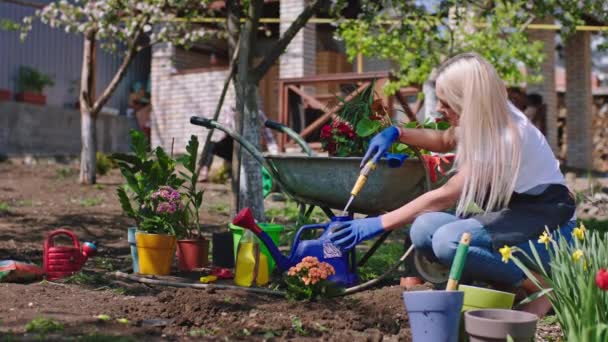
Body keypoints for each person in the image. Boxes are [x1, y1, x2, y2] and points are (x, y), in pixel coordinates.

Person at [329, 53, 576, 317]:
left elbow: (445, 196)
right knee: (424, 229)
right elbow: (447, 139)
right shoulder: (487, 117)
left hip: (549, 225)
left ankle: (541, 286)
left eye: (445, 102)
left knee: (450, 242)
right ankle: (507, 285)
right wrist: (397, 133)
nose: (438, 109)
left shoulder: (505, 134)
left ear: (467, 101)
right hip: (516, 215)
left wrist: (377, 223)